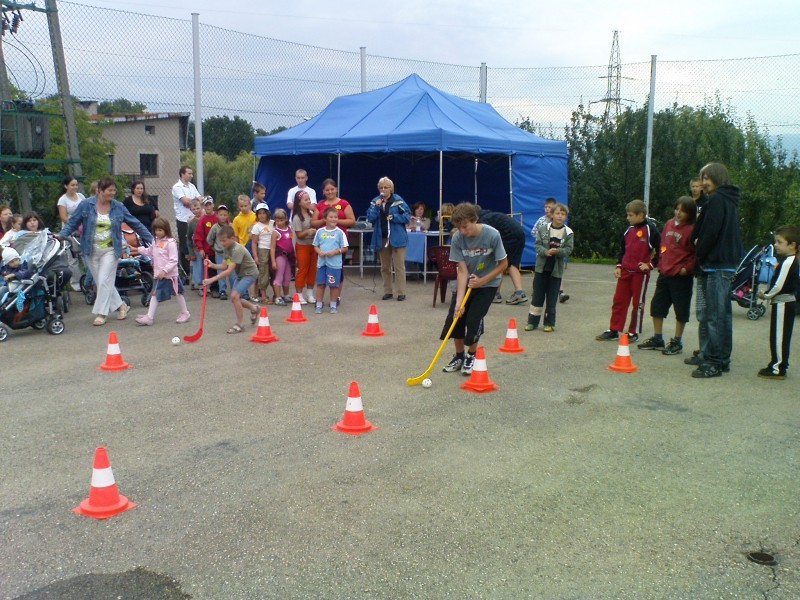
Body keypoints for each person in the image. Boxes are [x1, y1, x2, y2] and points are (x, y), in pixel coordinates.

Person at [58, 177, 153, 326]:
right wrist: (61, 235)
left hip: (110, 249)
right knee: (102, 282)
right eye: (110, 190)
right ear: (100, 191)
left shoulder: (118, 207)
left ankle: (101, 313)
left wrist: (152, 239)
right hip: (91, 250)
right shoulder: (86, 205)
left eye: (114, 190)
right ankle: (121, 306)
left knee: (103, 280)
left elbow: (135, 223)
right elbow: (72, 222)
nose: (113, 193)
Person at [688, 162, 742, 378]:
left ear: (717, 177)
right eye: (702, 178)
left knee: (715, 316)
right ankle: (720, 358)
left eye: (706, 178)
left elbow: (710, 232)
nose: (703, 183)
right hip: (722, 263)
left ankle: (714, 362)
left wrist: (700, 251)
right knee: (722, 315)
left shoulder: (718, 199)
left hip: (717, 264)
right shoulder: (726, 199)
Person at [441, 202, 508, 376]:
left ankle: (471, 355)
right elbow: (462, 270)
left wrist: (482, 281)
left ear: (475, 220)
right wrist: (459, 302)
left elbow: (503, 264)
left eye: (465, 226)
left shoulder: (492, 235)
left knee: (473, 319)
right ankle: (459, 356)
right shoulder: (457, 238)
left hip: (488, 284)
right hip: (468, 281)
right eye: (459, 228)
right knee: (456, 317)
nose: (462, 231)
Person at [634, 197, 697, 354]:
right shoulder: (669, 224)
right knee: (657, 307)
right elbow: (663, 245)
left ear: (690, 213)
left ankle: (677, 342)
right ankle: (658, 338)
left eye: (683, 211)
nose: (678, 213)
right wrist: (661, 263)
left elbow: (696, 253)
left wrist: (686, 269)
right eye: (677, 209)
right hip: (665, 273)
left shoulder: (692, 229)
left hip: (681, 277)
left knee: (681, 310)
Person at [596, 199, 660, 343]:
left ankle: (633, 331)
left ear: (641, 215)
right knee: (619, 301)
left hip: (640, 275)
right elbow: (622, 250)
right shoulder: (628, 230)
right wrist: (619, 266)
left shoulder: (651, 230)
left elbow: (662, 250)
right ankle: (614, 329)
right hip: (625, 272)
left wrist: (650, 265)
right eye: (627, 215)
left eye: (630, 215)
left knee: (638, 304)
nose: (627, 218)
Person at [757, 225, 799, 379]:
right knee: (780, 335)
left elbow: (778, 285)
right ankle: (778, 364)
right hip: (784, 303)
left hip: (783, 304)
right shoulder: (789, 260)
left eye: (780, 242)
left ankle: (777, 368)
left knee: (779, 337)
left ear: (792, 245)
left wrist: (765, 295)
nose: (775, 245)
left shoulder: (788, 262)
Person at [132, 217, 190, 326]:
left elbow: (173, 260)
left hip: (169, 276)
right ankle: (150, 316)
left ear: (166, 230)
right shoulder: (155, 241)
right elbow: (150, 251)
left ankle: (184, 313)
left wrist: (164, 271)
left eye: (160, 230)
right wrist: (138, 249)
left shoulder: (170, 243)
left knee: (176, 293)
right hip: (159, 275)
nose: (157, 232)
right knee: (158, 293)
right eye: (156, 230)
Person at [525, 202, 574, 332]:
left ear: (565, 216)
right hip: (541, 269)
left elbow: (568, 249)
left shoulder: (568, 232)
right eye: (557, 213)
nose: (560, 216)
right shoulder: (543, 229)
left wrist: (558, 251)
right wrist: (545, 252)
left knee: (552, 299)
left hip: (555, 271)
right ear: (551, 215)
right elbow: (537, 245)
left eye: (563, 214)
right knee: (537, 297)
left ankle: (549, 323)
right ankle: (532, 322)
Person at [202, 224, 260, 334]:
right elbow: (224, 266)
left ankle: (240, 324)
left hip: (250, 274)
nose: (222, 243)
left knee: (234, 296)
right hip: (241, 274)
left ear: (232, 238)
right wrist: (212, 265)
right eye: (220, 241)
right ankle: (254, 308)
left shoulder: (237, 249)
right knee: (234, 298)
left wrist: (211, 280)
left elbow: (228, 271)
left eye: (224, 240)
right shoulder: (227, 248)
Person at [366, 176, 410, 301]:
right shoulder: (375, 201)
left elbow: (407, 216)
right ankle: (388, 291)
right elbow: (370, 218)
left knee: (399, 266)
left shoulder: (398, 200)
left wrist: (394, 217)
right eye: (381, 187)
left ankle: (401, 292)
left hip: (397, 237)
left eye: (386, 187)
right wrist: (376, 206)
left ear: (391, 189)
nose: (383, 190)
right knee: (385, 267)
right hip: (382, 237)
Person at [312, 178, 355, 299]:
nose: (330, 192)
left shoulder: (344, 204)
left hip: (338, 242)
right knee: (322, 269)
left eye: (332, 189)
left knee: (337, 269)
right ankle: (320, 298)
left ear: (336, 189)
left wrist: (335, 221)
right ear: (323, 191)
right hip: (323, 243)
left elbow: (352, 220)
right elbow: (313, 222)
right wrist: (324, 220)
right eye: (327, 190)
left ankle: (336, 297)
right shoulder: (319, 205)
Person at [476, 207, 528, 305]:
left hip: (509, 236)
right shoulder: (491, 215)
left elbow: (488, 238)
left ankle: (495, 294)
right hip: (519, 234)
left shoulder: (483, 220)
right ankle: (519, 292)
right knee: (512, 264)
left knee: (500, 262)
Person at [531, 197, 570, 303]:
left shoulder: (560, 223)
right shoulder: (541, 220)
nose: (547, 209)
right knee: (540, 271)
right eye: (546, 207)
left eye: (550, 207)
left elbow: (565, 239)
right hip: (543, 253)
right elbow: (533, 232)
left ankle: (560, 292)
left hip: (556, 253)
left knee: (557, 271)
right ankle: (537, 290)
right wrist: (542, 240)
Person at [312, 206, 348, 314]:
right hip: (322, 264)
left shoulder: (340, 232)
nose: (334, 219)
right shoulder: (319, 231)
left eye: (335, 217)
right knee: (320, 284)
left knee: (333, 285)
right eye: (331, 217)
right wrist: (319, 252)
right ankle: (319, 304)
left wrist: (335, 252)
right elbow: (315, 245)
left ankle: (333, 305)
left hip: (334, 265)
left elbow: (345, 248)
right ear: (325, 218)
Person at [56, 177, 87, 288]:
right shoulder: (62, 200)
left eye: (76, 185)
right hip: (70, 231)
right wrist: (75, 224)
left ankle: (89, 281)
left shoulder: (81, 197)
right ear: (66, 186)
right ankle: (76, 283)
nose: (75, 187)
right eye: (72, 185)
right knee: (73, 257)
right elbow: (63, 217)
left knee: (86, 255)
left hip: (83, 230)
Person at [172, 166, 201, 277]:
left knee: (196, 243)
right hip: (183, 220)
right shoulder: (177, 187)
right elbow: (185, 201)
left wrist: (192, 203)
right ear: (182, 174)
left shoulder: (192, 186)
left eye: (191, 173)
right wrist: (194, 202)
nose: (191, 176)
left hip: (195, 219)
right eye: (189, 173)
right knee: (184, 245)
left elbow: (200, 199)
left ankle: (197, 271)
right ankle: (185, 273)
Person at [291, 190, 318, 304]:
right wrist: (308, 232)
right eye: (306, 200)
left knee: (312, 269)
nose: (308, 201)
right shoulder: (297, 217)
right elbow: (299, 235)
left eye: (309, 199)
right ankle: (299, 294)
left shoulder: (312, 214)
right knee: (302, 269)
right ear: (299, 202)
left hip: (313, 246)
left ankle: (310, 293)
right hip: (302, 246)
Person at [193, 197, 218, 297]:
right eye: (206, 205)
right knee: (208, 270)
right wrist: (201, 248)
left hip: (219, 250)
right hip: (208, 250)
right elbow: (198, 236)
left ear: (213, 205)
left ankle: (218, 289)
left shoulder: (218, 216)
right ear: (203, 207)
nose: (208, 207)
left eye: (209, 204)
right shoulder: (202, 220)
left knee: (219, 269)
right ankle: (206, 288)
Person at [270, 208, 296, 305]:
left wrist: (295, 254)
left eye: (281, 220)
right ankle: (278, 297)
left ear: (285, 219)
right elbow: (272, 248)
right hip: (280, 256)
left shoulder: (289, 229)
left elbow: (292, 242)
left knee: (287, 276)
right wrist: (273, 261)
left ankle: (286, 295)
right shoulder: (275, 233)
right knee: (279, 276)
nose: (279, 222)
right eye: (277, 220)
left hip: (289, 256)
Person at [250, 203, 273, 305]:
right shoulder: (257, 226)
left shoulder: (273, 223)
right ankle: (263, 296)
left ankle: (277, 295)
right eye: (259, 213)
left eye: (264, 213)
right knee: (263, 273)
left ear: (267, 213)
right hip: (262, 250)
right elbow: (254, 242)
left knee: (274, 272)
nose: (262, 215)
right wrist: (255, 256)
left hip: (274, 249)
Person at [206, 204, 231, 300]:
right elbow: (209, 239)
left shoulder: (230, 226)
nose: (223, 217)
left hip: (230, 254)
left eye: (225, 215)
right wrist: (215, 247)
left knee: (232, 272)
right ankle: (222, 290)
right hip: (220, 254)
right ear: (217, 215)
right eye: (221, 215)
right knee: (221, 272)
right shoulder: (215, 227)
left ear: (228, 215)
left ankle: (235, 290)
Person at [187, 199, 204, 293]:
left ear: (201, 207)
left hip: (205, 248)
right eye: (194, 209)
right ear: (191, 210)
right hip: (196, 249)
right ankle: (200, 285)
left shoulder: (205, 219)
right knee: (198, 267)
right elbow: (189, 239)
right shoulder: (191, 223)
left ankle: (197, 281)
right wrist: (191, 252)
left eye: (198, 208)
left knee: (204, 267)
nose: (196, 211)